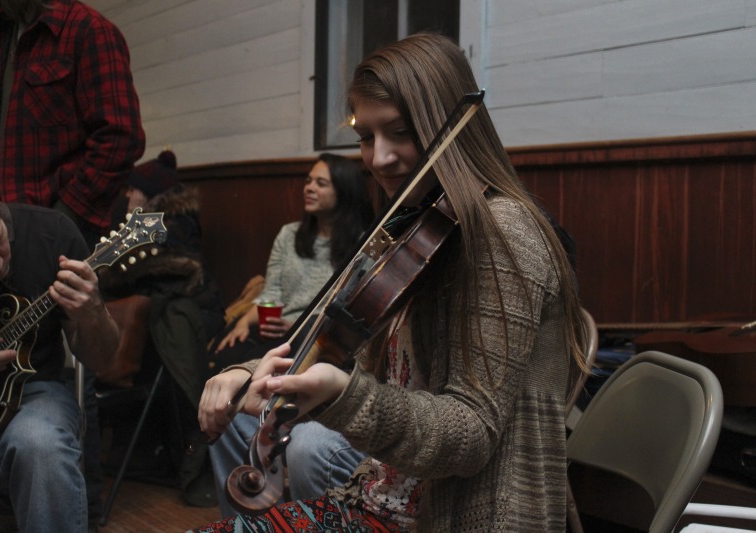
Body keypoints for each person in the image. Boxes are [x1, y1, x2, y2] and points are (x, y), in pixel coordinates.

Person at [192, 32, 588, 532]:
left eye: (400, 132)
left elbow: (471, 435)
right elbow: (335, 347)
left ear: (451, 127)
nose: (378, 159)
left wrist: (345, 397)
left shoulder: (504, 233)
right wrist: (252, 372)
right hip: (378, 500)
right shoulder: (416, 228)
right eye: (365, 136)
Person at [207, 153, 375, 517]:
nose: (309, 188)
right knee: (225, 365)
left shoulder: (365, 242)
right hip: (281, 332)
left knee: (277, 374)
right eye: (308, 181)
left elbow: (352, 308)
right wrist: (245, 321)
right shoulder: (289, 235)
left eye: (321, 183)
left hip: (322, 339)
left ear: (343, 191)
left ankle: (274, 478)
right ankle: (248, 500)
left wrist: (301, 319)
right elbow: (271, 294)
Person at [0, 162, 119, 533]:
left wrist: (92, 311)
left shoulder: (51, 233)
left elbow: (103, 360)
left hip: (32, 393)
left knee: (41, 445)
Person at [97, 149, 226, 507]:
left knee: (162, 333)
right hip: (162, 317)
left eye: (132, 189)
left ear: (149, 193)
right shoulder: (143, 225)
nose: (126, 195)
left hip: (193, 316)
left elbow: (163, 278)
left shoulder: (167, 227)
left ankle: (180, 458)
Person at [0, 0, 146, 247]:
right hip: (2, 228)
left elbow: (121, 138)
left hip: (60, 235)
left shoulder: (89, 30)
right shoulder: (3, 31)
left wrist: (63, 219)